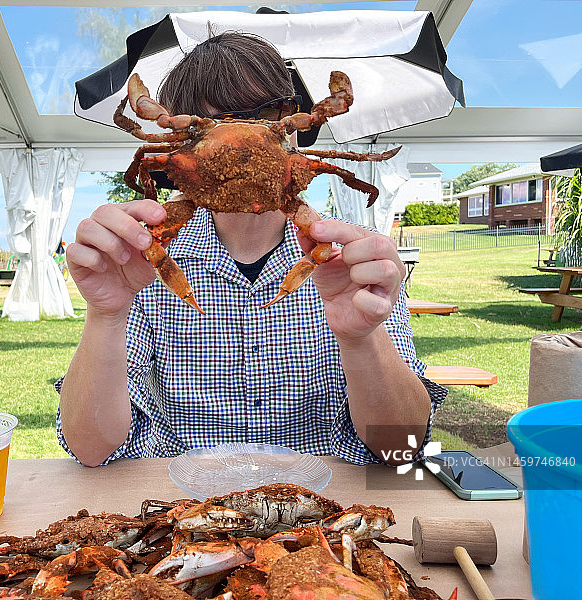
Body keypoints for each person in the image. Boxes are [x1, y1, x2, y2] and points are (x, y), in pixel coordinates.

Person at [56, 32, 446, 467]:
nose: (243, 136)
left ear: (298, 122)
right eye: (215, 119)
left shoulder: (355, 260)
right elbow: (91, 449)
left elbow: (403, 448)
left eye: (269, 112)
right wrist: (106, 314)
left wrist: (362, 338)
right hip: (185, 512)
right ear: (176, 143)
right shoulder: (142, 258)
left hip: (325, 512)